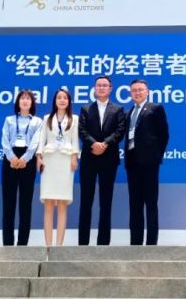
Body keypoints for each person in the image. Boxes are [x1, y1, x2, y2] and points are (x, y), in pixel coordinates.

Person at [78, 75, 126, 245]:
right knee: (86, 201)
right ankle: (83, 243)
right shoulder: (85, 109)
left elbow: (120, 130)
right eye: (98, 85)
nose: (101, 88)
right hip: (89, 158)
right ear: (94, 88)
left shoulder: (118, 109)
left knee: (106, 202)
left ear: (110, 89)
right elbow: (82, 130)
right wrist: (94, 144)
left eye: (105, 85)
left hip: (109, 159)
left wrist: (104, 144)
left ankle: (103, 243)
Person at [124, 79, 169, 245]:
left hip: (149, 164)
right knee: (134, 205)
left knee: (150, 204)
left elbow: (164, 135)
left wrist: (156, 157)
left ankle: (151, 244)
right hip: (132, 164)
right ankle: (135, 243)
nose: (137, 92)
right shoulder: (129, 112)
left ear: (147, 91)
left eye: (140, 90)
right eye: (134, 90)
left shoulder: (155, 108)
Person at [36, 88, 80, 246]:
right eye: (59, 98)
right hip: (49, 161)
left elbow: (75, 141)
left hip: (65, 161)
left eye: (65, 98)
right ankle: (48, 246)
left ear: (69, 101)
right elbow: (42, 140)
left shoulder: (74, 119)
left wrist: (74, 158)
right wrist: (39, 157)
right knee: (48, 203)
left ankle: (59, 246)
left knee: (62, 203)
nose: (62, 100)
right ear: (55, 101)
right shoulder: (46, 118)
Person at [0, 89, 42, 246]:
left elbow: (35, 142)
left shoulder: (37, 122)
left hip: (27, 161)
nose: (25, 101)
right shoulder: (9, 120)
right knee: (8, 203)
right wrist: (11, 157)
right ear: (18, 102)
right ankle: (8, 244)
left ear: (32, 103)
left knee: (25, 204)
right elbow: (5, 140)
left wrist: (25, 158)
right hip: (10, 160)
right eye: (22, 98)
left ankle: (23, 244)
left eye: (28, 99)